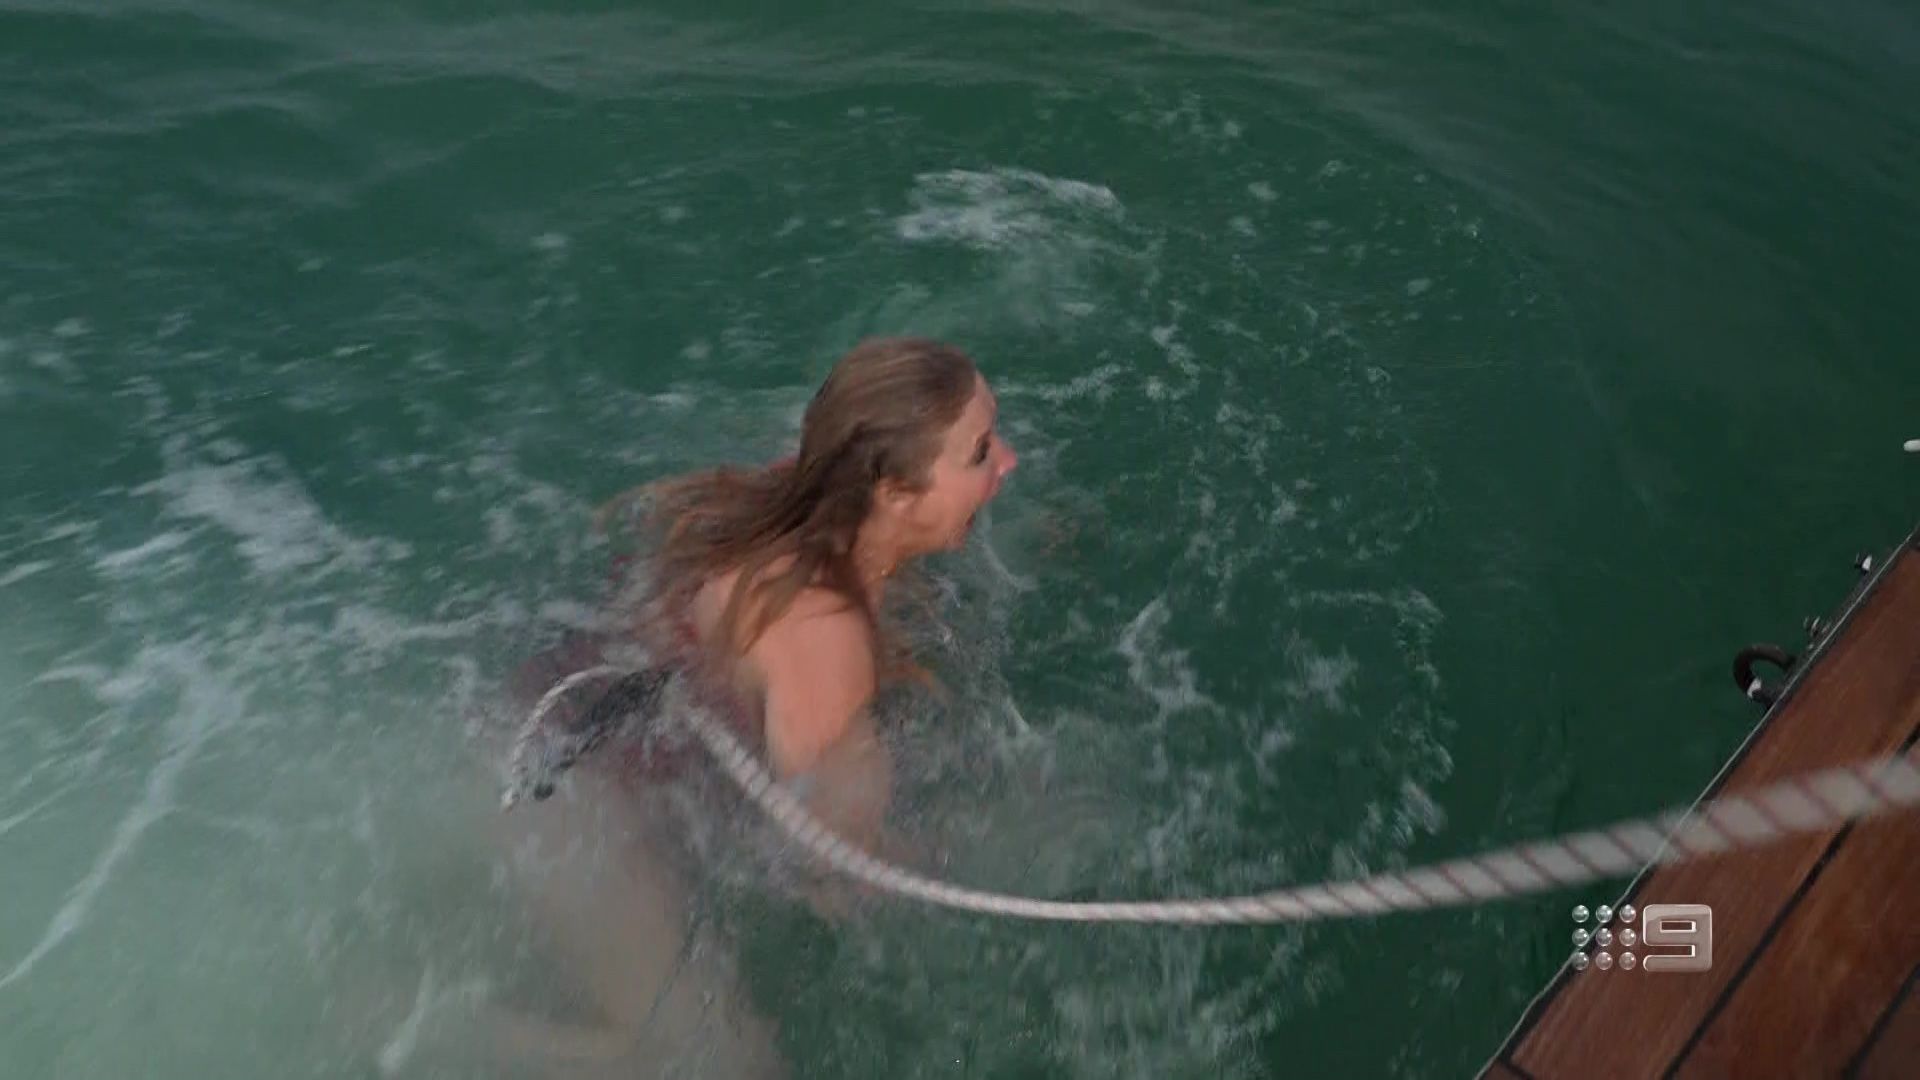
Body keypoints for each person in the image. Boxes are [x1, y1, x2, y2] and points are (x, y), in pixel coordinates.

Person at [483, 336, 1018, 1075]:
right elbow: (828, 872)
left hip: (533, 720)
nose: (1008, 462)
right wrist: (976, 860)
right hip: (560, 798)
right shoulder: (823, 635)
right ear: (897, 495)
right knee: (726, 1063)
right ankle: (411, 1030)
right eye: (981, 453)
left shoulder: (811, 488)